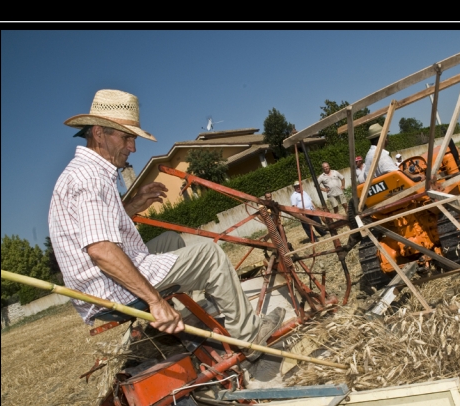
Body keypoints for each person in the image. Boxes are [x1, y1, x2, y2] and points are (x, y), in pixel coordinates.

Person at [48, 89, 285, 363]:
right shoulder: (90, 178)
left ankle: (193, 311)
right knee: (209, 255)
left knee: (171, 239)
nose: (133, 147)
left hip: (96, 281)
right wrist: (156, 303)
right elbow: (101, 250)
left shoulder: (86, 171)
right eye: (127, 137)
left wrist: (132, 206)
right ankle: (249, 335)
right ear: (99, 133)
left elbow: (95, 227)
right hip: (106, 288)